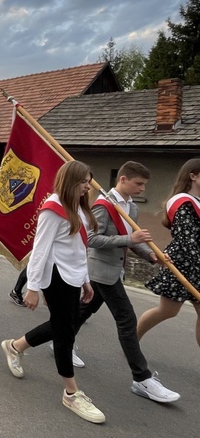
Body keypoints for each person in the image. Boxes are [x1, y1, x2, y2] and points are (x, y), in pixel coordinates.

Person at [0, 160, 105, 424]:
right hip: (55, 278)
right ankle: (71, 392)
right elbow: (40, 251)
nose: (87, 186)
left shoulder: (78, 208)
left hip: (72, 276)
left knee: (62, 325)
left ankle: (15, 346)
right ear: (71, 181)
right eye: (83, 181)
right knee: (65, 332)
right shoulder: (52, 209)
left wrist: (86, 280)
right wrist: (32, 287)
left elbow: (79, 251)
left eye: (88, 181)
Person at [72, 161, 179, 402]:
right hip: (100, 271)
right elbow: (91, 239)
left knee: (83, 310)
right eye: (138, 183)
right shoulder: (103, 205)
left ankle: (58, 341)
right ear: (122, 180)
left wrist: (152, 255)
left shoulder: (130, 207)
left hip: (113, 271)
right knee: (127, 319)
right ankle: (142, 378)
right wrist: (128, 238)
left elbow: (134, 241)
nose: (142, 189)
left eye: (144, 184)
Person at [138, 157, 200, 349]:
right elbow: (186, 239)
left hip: (196, 266)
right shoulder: (183, 202)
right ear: (193, 176)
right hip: (181, 264)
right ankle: (131, 341)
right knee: (167, 311)